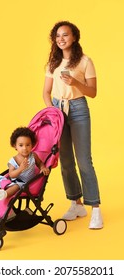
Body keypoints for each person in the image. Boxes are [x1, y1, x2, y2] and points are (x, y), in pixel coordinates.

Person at [42, 20, 103, 229]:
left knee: (84, 160)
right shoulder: (53, 63)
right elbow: (45, 92)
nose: (61, 39)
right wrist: (52, 111)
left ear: (74, 37)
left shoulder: (85, 61)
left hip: (78, 110)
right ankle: (75, 203)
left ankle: (95, 208)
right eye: (58, 35)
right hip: (58, 111)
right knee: (66, 160)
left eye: (65, 35)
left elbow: (93, 92)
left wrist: (75, 83)